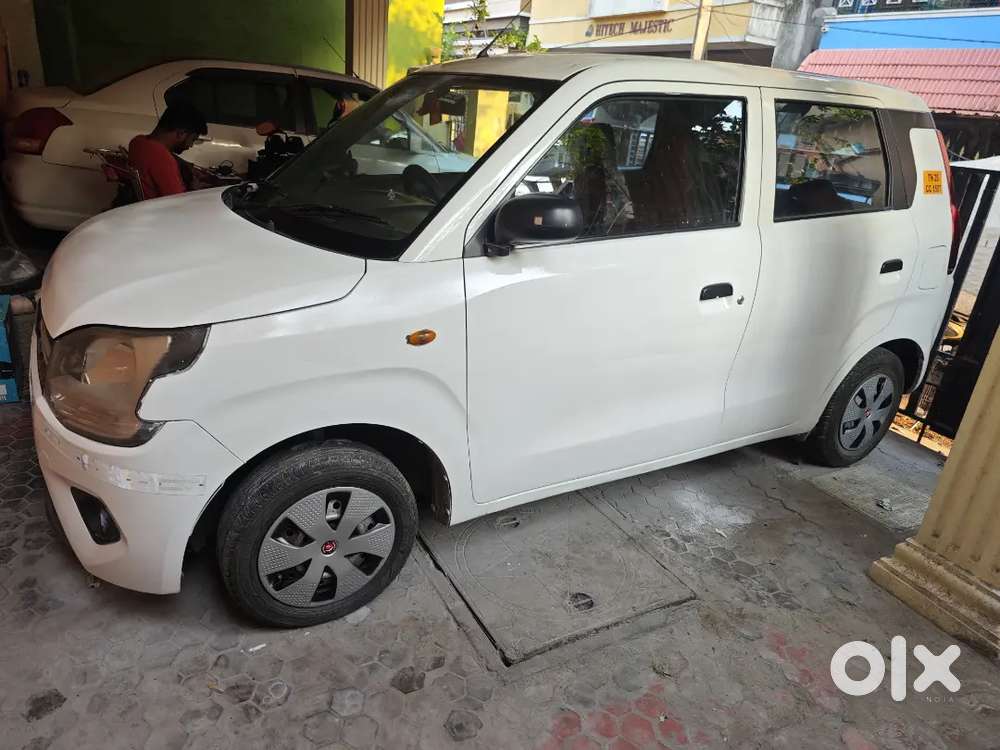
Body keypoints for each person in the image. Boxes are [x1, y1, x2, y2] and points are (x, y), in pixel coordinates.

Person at [128, 102, 207, 200]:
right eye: (193, 139)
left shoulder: (137, 142)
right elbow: (177, 202)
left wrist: (188, 167)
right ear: (181, 133)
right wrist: (194, 190)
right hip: (163, 211)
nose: (190, 145)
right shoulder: (162, 158)